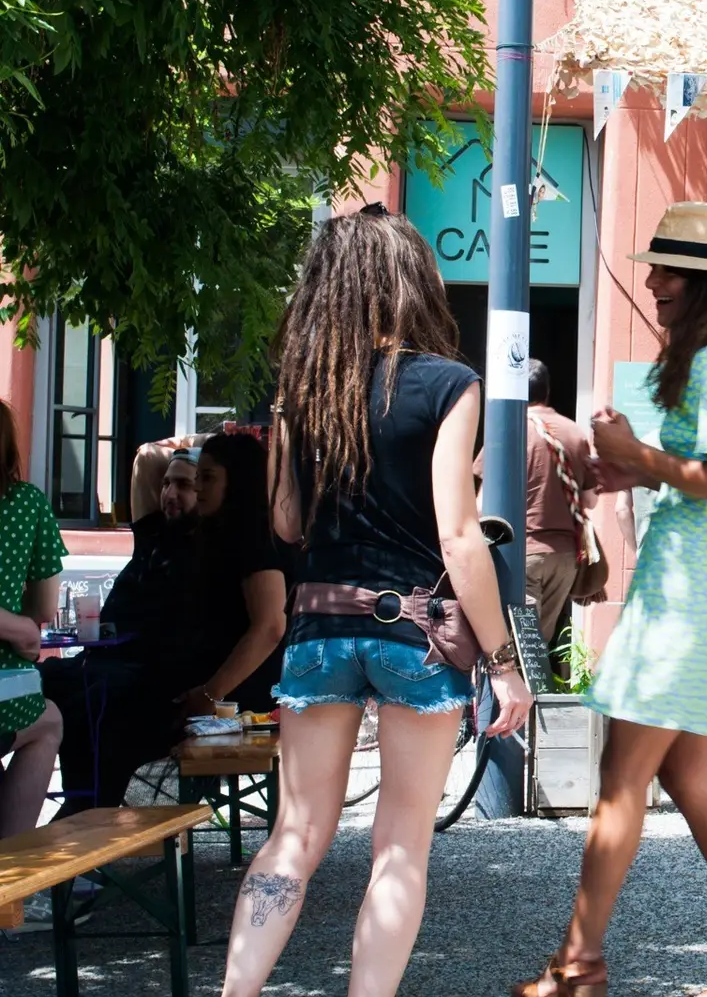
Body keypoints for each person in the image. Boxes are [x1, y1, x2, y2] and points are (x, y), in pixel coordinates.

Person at [219, 202, 532, 997]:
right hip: (413, 634)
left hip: (319, 623)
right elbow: (459, 539)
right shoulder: (449, 385)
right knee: (399, 846)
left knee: (294, 833)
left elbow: (287, 524)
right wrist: (504, 664)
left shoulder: (303, 389)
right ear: (412, 284)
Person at [516, 201, 707, 997]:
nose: (652, 282)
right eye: (653, 267)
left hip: (688, 602)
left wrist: (637, 453)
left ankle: (579, 966)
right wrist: (635, 467)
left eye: (668, 270)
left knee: (620, 781)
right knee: (687, 778)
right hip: (705, 593)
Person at [43, 447, 202, 817]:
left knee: (95, 708)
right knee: (33, 683)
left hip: (140, 680)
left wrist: (203, 452)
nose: (169, 494)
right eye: (166, 484)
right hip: (96, 661)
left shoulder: (208, 546)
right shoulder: (154, 535)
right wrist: (188, 449)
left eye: (184, 485)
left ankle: (80, 829)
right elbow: (147, 457)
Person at [474, 358, 601, 652]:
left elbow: (482, 507)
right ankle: (533, 695)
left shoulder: (508, 430)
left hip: (520, 554)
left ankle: (514, 695)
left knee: (515, 641)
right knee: (537, 643)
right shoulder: (575, 433)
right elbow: (590, 500)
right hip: (565, 556)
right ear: (547, 391)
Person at [174, 432, 288, 719]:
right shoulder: (216, 533)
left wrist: (211, 693)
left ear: (237, 480)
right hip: (220, 695)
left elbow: (271, 627)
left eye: (208, 477)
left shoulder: (256, 538)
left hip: (245, 704)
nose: (197, 487)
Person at [0, 398, 65, 840]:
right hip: (7, 683)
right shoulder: (26, 504)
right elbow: (45, 609)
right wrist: (19, 626)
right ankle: (11, 869)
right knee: (49, 723)